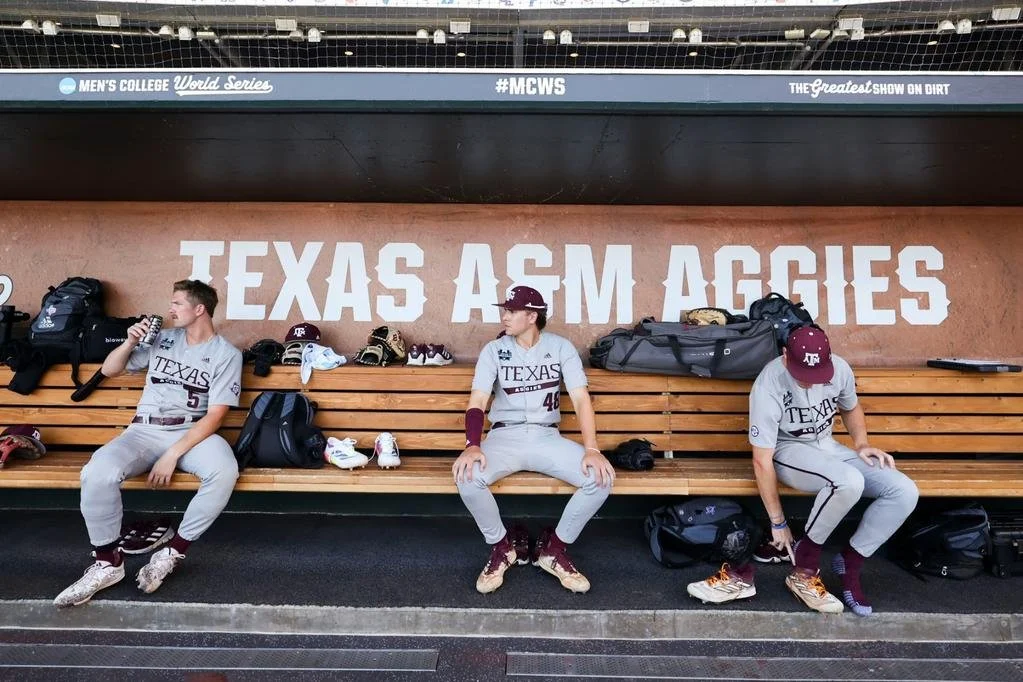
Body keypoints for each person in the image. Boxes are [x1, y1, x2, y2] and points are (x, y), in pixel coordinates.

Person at [687, 326, 918, 615]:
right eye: (803, 374)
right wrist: (778, 522)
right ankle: (805, 567)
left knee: (904, 491)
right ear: (785, 356)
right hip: (788, 450)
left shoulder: (839, 368)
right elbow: (762, 459)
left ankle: (852, 562)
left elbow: (851, 406)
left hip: (828, 446)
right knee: (848, 482)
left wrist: (861, 444)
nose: (810, 382)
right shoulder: (769, 383)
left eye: (816, 374)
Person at [54, 280, 243, 608]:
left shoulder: (225, 354)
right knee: (97, 472)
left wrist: (172, 454)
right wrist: (129, 341)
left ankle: (173, 553)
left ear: (199, 309)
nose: (171, 310)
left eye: (178, 303)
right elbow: (110, 370)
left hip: (192, 433)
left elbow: (215, 416)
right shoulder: (163, 339)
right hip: (143, 432)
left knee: (225, 471)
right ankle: (108, 563)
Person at [452, 285, 615, 594]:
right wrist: (472, 444)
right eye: (505, 309)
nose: (504, 315)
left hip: (546, 437)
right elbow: (477, 402)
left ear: (532, 316)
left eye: (511, 311)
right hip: (504, 436)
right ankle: (501, 547)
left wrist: (592, 449)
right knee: (467, 476)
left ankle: (554, 550)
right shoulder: (494, 350)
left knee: (602, 478)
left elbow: (581, 400)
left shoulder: (560, 347)